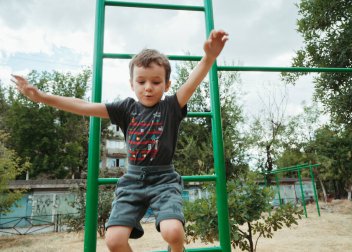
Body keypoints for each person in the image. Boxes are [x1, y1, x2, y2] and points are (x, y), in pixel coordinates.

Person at [12, 29, 229, 252]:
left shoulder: (171, 107)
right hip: (133, 181)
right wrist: (41, 97)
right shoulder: (126, 109)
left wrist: (209, 58)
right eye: (141, 81)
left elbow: (192, 83)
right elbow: (84, 106)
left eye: (156, 82)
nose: (148, 87)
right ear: (131, 84)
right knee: (114, 240)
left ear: (166, 85)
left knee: (173, 232)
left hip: (164, 180)